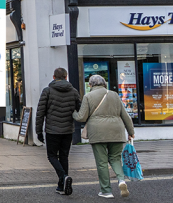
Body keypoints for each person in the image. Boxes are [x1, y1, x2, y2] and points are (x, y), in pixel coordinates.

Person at [74, 75, 135, 199]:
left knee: (102, 162)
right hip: (117, 131)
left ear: (90, 84)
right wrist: (131, 132)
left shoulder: (88, 96)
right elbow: (125, 116)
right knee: (115, 158)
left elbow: (81, 117)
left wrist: (73, 113)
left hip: (98, 132)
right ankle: (121, 180)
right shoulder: (114, 95)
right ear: (104, 83)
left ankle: (106, 191)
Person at [35, 67, 83, 196]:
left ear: (53, 77)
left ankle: (63, 177)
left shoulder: (47, 91)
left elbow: (40, 113)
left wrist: (38, 131)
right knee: (64, 156)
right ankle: (62, 186)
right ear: (66, 77)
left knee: (52, 156)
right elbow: (80, 110)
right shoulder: (73, 91)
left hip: (52, 130)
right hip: (68, 130)